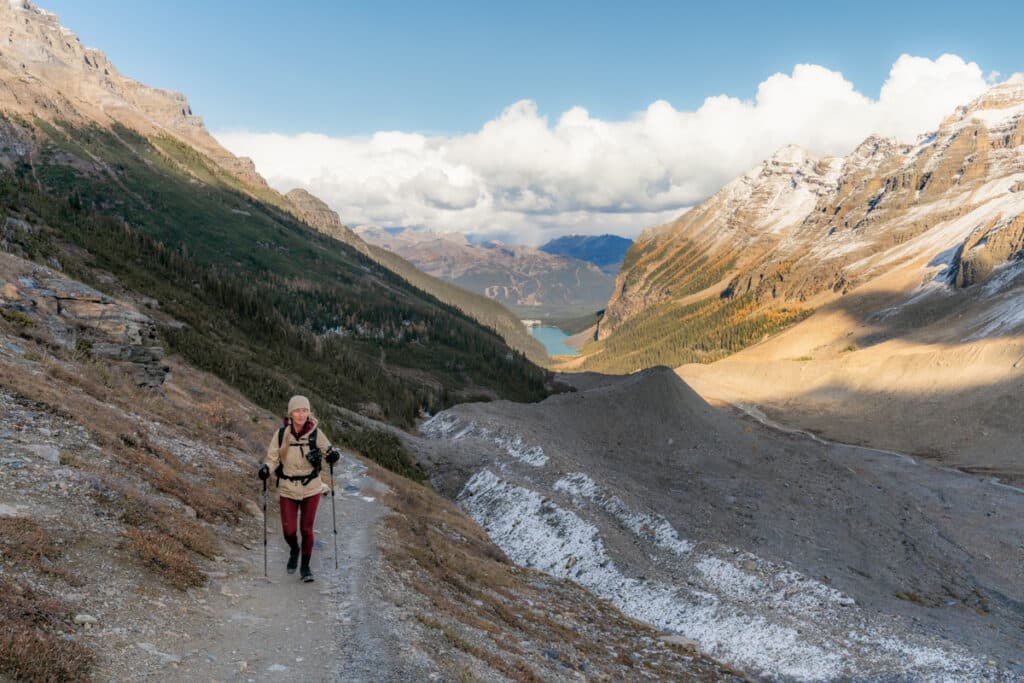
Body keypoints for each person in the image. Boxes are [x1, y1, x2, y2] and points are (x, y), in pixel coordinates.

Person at [258, 395, 340, 583]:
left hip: (311, 488)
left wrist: (334, 457)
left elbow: (330, 453)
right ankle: (294, 550)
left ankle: (305, 567)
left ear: (309, 412)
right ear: (291, 413)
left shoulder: (316, 434)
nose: (301, 414)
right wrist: (265, 470)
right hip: (287, 488)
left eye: (304, 410)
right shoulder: (281, 435)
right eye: (297, 410)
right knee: (288, 531)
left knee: (307, 529)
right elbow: (272, 459)